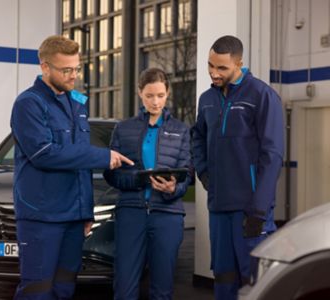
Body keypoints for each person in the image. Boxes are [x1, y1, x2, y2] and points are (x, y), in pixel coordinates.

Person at [10, 35, 133, 300]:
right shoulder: (28, 104)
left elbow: (78, 164)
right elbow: (45, 154)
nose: (73, 75)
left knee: (65, 288)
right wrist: (102, 156)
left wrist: (84, 212)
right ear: (45, 67)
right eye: (66, 70)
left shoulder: (75, 104)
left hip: (72, 217)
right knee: (37, 291)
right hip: (42, 217)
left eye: (77, 68)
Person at [192, 35, 284, 300]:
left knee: (254, 282)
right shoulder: (207, 99)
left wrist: (258, 209)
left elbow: (273, 154)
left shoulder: (262, 95)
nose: (213, 72)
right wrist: (204, 171)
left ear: (239, 64)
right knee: (223, 277)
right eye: (210, 65)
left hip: (250, 209)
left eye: (221, 67)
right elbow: (197, 135)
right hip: (219, 206)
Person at [103, 68, 193, 300]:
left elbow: (187, 174)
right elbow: (111, 175)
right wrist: (138, 179)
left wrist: (175, 188)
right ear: (140, 94)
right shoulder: (123, 129)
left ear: (168, 93)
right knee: (124, 287)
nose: (156, 101)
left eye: (161, 95)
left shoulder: (181, 131)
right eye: (150, 96)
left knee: (162, 290)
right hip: (131, 213)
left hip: (168, 215)